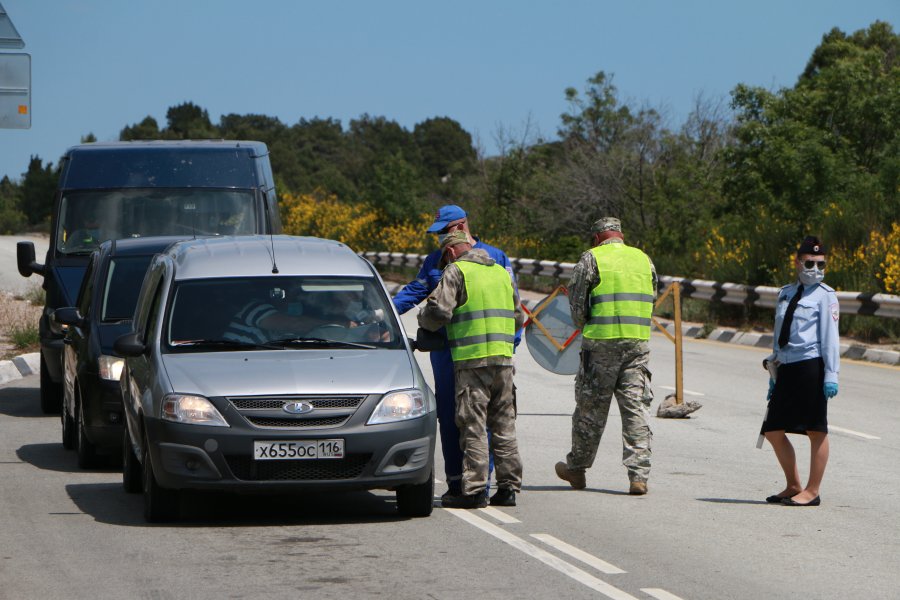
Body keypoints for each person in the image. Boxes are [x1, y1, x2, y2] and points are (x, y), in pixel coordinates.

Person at [393, 204, 521, 500]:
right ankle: (459, 481)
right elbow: (416, 290)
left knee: (478, 421)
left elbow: (510, 311)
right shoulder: (436, 260)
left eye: (445, 232)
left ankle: (478, 486)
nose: (440, 240)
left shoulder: (495, 259)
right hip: (451, 355)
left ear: (462, 225)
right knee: (456, 419)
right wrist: (384, 312)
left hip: (473, 355)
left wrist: (511, 343)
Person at [418, 230, 525, 508]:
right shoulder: (502, 273)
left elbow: (439, 311)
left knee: (473, 425)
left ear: (451, 252)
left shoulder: (456, 271)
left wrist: (424, 322)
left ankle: (475, 490)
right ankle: (508, 488)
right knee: (504, 424)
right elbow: (517, 317)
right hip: (503, 361)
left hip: (472, 361)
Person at [554, 217, 657, 495]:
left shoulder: (591, 258)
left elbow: (577, 307)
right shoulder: (643, 259)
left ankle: (576, 468)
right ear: (621, 235)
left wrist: (585, 323)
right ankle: (638, 476)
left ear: (597, 238)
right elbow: (653, 299)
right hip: (637, 343)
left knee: (590, 410)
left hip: (601, 344)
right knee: (636, 408)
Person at [761, 235, 839, 507]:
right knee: (773, 430)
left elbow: (830, 339)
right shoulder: (786, 293)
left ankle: (812, 490)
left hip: (810, 366)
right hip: (787, 366)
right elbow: (778, 334)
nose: (815, 269)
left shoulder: (825, 296)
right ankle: (793, 484)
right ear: (797, 262)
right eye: (810, 263)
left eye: (821, 263)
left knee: (816, 430)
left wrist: (831, 375)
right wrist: (774, 369)